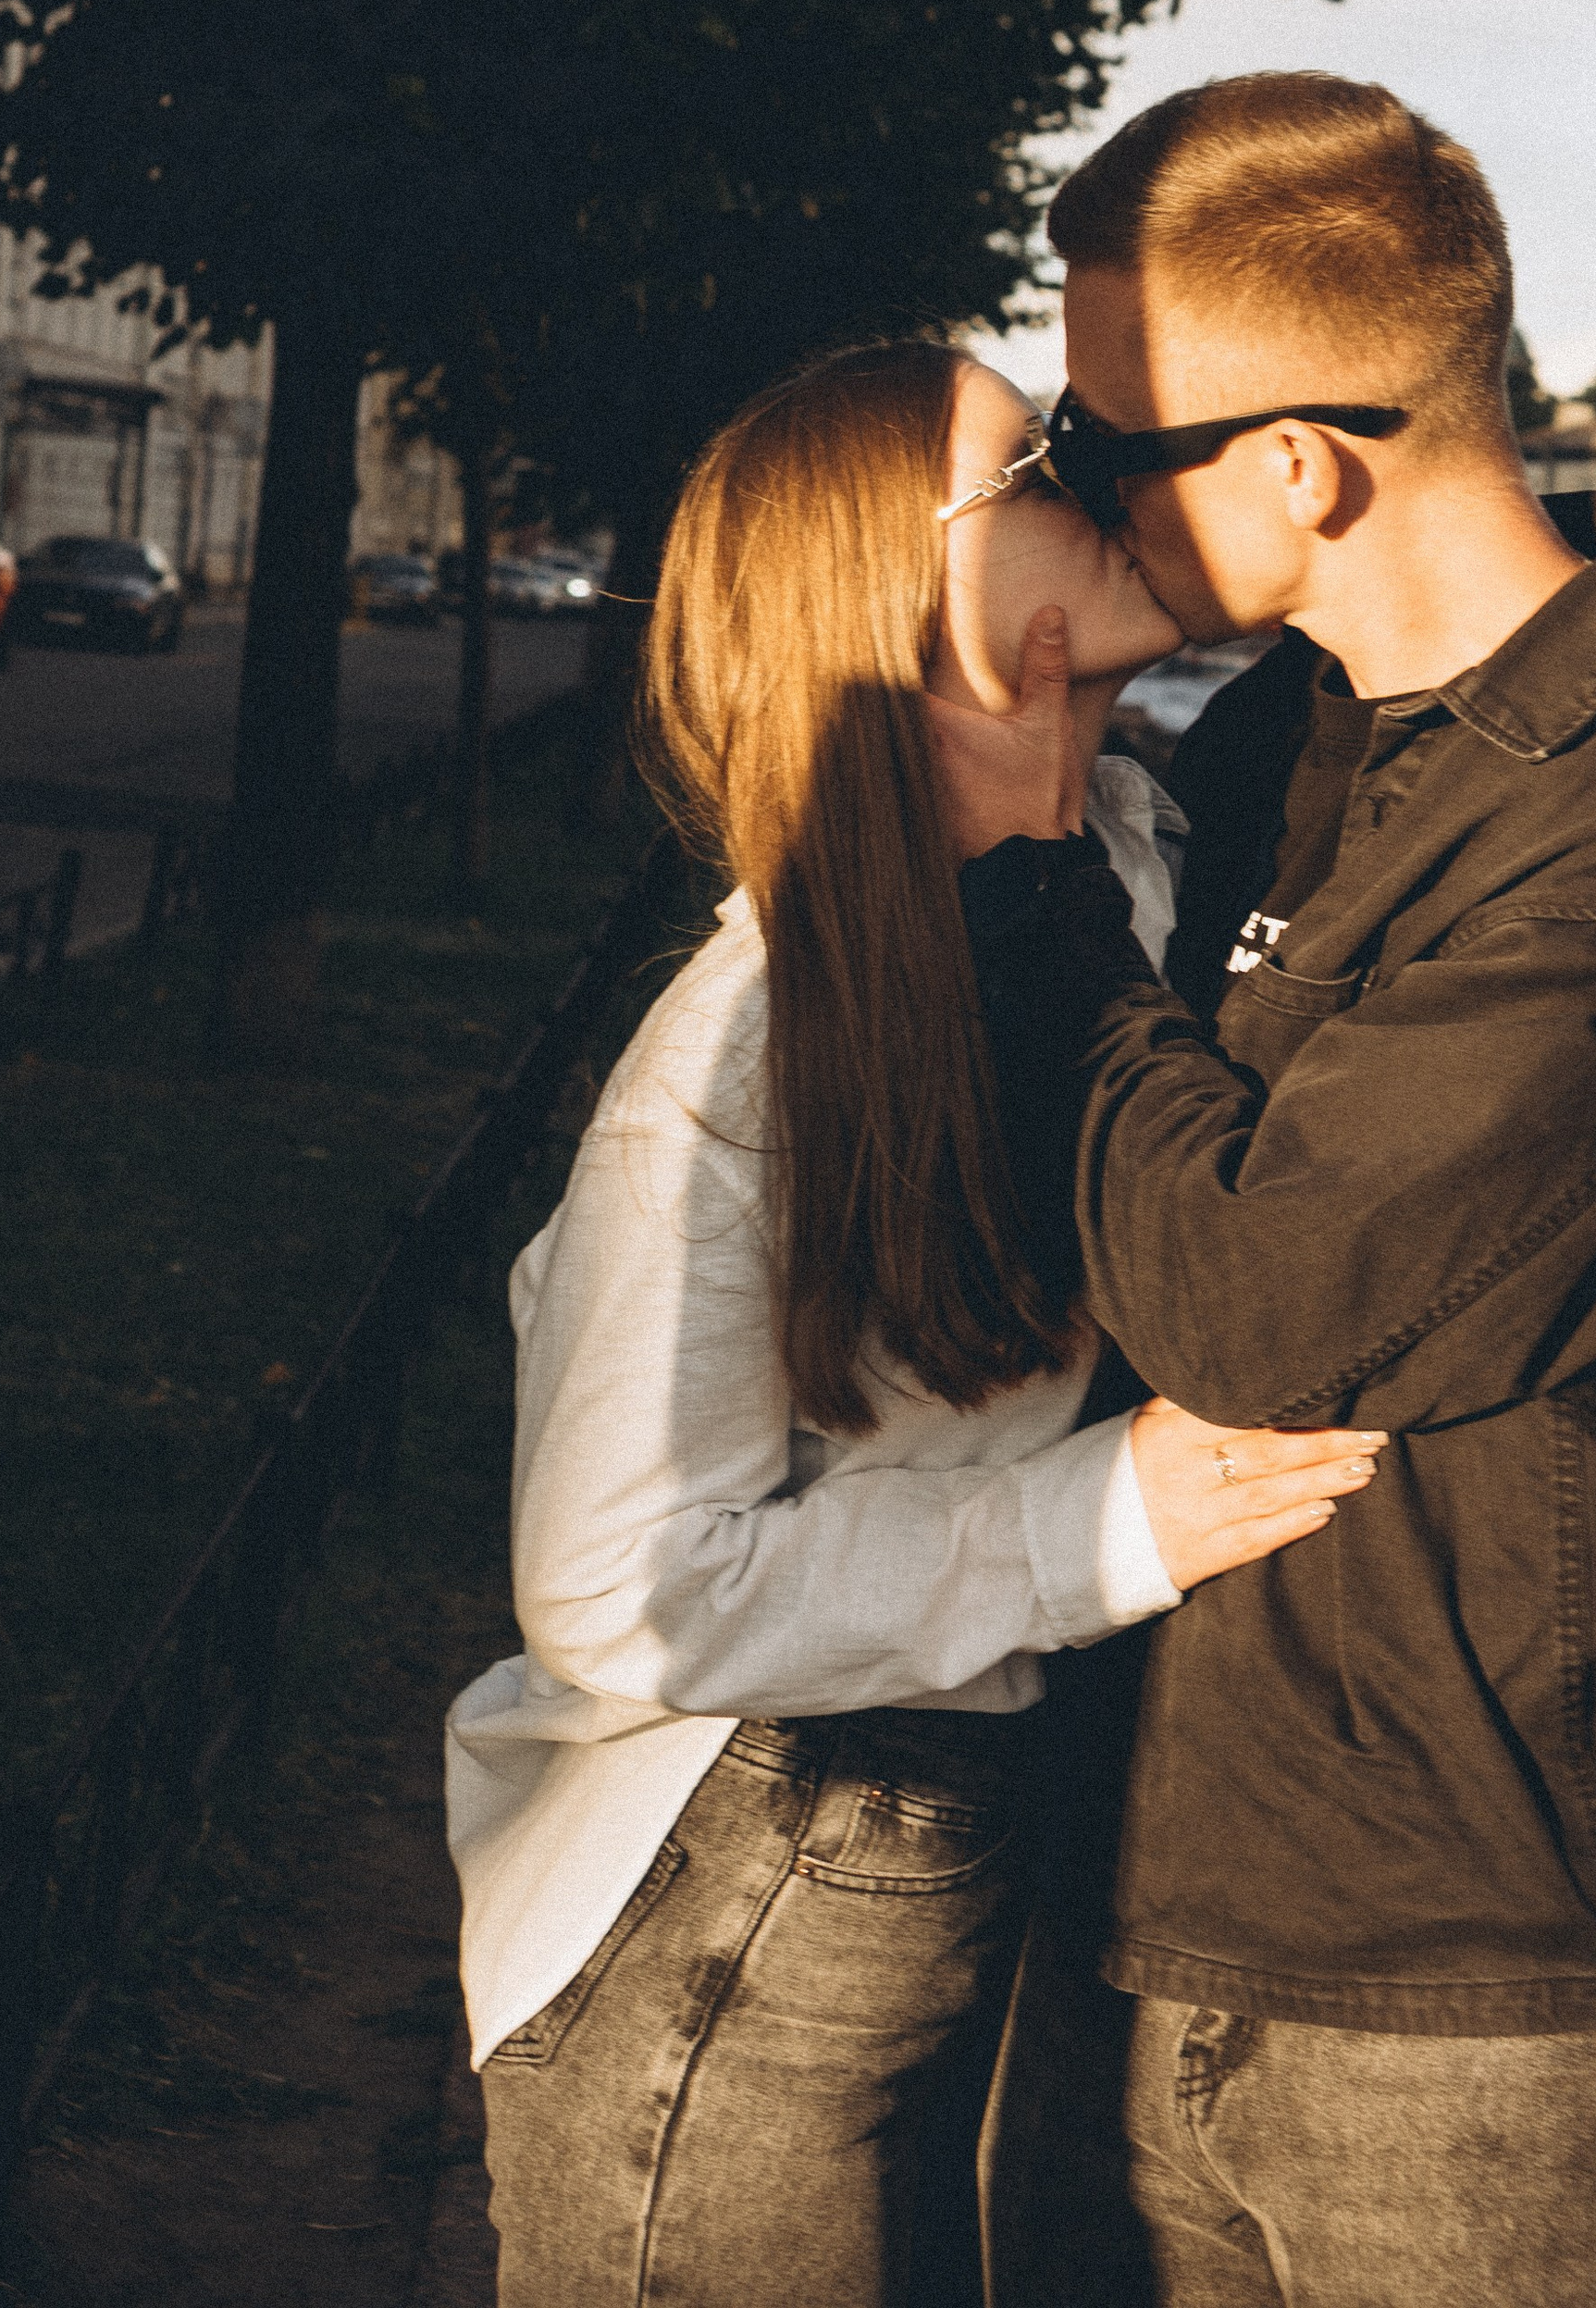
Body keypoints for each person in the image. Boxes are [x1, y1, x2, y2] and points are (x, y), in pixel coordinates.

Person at [930, 73, 1596, 2308]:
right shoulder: (1277, 741)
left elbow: (1263, 1298)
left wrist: (1022, 880)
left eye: (1100, 447)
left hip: (1525, 2015)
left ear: (1297, 464)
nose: (1069, 503)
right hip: (1168, 1923)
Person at [446, 337, 1385, 2308]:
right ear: (900, 602)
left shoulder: (1117, 857)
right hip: (719, 1887)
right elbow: (612, 1586)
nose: (1096, 470)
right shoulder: (756, 1027)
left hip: (901, 1855)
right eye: (1032, 465)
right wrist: (1097, 1520)